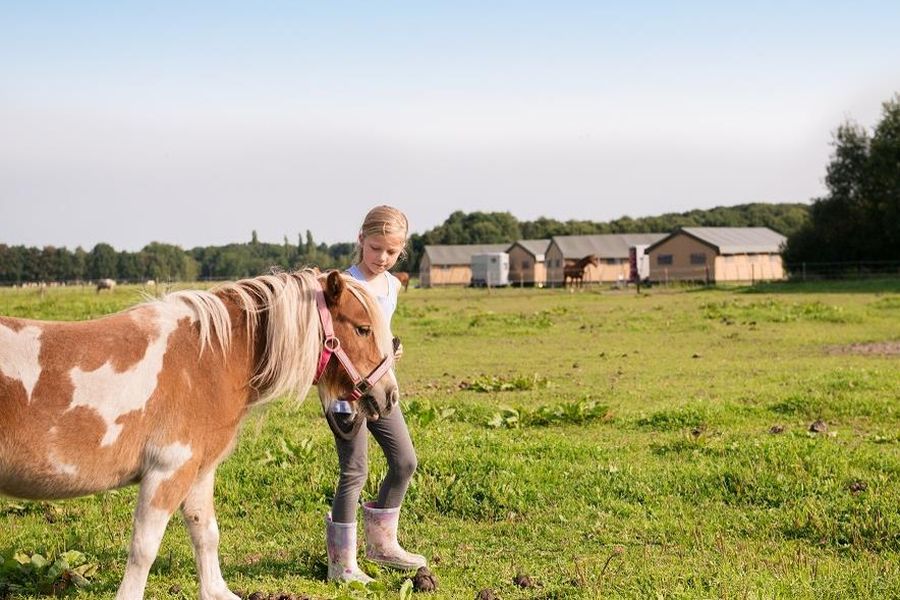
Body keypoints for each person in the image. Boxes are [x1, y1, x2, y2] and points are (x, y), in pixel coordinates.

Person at [324, 205, 426, 584]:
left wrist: (392, 349)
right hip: (346, 392)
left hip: (380, 387)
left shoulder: (392, 286)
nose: (382, 258)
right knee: (354, 470)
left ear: (401, 251)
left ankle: (382, 545)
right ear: (360, 241)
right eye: (375, 248)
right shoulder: (343, 284)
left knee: (404, 462)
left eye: (391, 251)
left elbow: (378, 335)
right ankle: (342, 564)